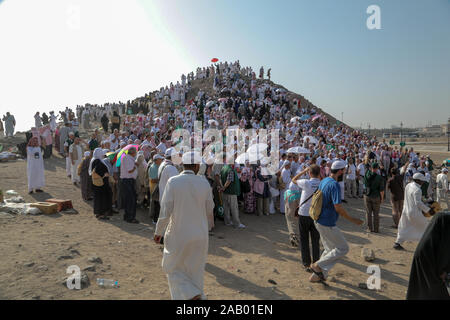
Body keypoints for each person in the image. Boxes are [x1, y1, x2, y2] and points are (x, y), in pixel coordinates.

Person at [154, 151, 214, 300]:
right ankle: (196, 295)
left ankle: (191, 295)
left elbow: (165, 210)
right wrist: (207, 226)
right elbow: (209, 209)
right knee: (195, 270)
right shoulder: (204, 182)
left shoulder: (173, 182)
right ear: (196, 165)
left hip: (178, 233)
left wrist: (158, 232)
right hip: (200, 233)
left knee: (172, 267)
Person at [309, 160, 363, 283]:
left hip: (319, 220)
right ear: (340, 171)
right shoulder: (335, 185)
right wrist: (352, 220)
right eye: (344, 169)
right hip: (327, 222)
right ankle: (317, 265)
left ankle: (317, 276)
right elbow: (338, 207)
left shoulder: (325, 180)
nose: (345, 171)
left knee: (329, 249)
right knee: (343, 248)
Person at [406, 211, 450, 300]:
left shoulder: (442, 218)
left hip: (426, 258)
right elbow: (444, 252)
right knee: (435, 291)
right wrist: (443, 270)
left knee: (421, 289)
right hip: (431, 262)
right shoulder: (446, 222)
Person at [292, 165, 321, 271]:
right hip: (316, 214)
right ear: (319, 173)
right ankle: (316, 262)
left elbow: (294, 179)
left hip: (304, 213)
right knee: (315, 240)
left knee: (304, 239)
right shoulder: (322, 184)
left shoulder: (306, 182)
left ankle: (306, 263)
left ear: (310, 173)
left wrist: (303, 171)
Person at [394, 173, 433, 250]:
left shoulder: (408, 185)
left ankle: (397, 243)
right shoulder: (418, 190)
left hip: (406, 211)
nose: (423, 182)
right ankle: (425, 245)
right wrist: (428, 210)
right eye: (422, 181)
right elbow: (418, 203)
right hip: (414, 212)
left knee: (404, 227)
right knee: (426, 227)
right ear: (418, 180)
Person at [220, 161, 245, 229]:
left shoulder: (223, 168)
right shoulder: (230, 170)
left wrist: (222, 188)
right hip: (231, 192)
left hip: (225, 192)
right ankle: (237, 224)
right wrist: (224, 187)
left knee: (226, 208)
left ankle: (227, 222)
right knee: (234, 208)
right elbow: (229, 180)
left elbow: (220, 178)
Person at [89, 148, 112, 220]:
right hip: (100, 184)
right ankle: (100, 214)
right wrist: (104, 174)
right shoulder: (97, 161)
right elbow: (97, 171)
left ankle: (99, 213)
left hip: (99, 184)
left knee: (98, 198)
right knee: (100, 198)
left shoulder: (95, 160)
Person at [363, 162, 385, 233]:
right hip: (376, 196)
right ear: (377, 168)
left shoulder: (366, 174)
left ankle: (369, 228)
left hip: (367, 195)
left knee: (368, 213)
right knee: (376, 214)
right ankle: (376, 229)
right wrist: (382, 198)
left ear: (371, 168)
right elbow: (381, 190)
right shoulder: (379, 178)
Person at [120, 147, 139, 223]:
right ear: (133, 152)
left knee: (129, 199)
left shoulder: (129, 158)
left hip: (128, 180)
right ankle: (130, 217)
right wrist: (135, 166)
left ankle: (127, 216)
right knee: (131, 200)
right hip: (128, 180)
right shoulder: (127, 158)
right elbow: (130, 170)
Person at [149, 154, 164, 223]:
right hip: (154, 186)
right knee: (155, 203)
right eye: (160, 159)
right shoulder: (153, 167)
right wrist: (162, 179)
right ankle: (154, 218)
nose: (161, 160)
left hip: (156, 186)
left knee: (155, 202)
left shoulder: (158, 166)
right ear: (156, 160)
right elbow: (152, 180)